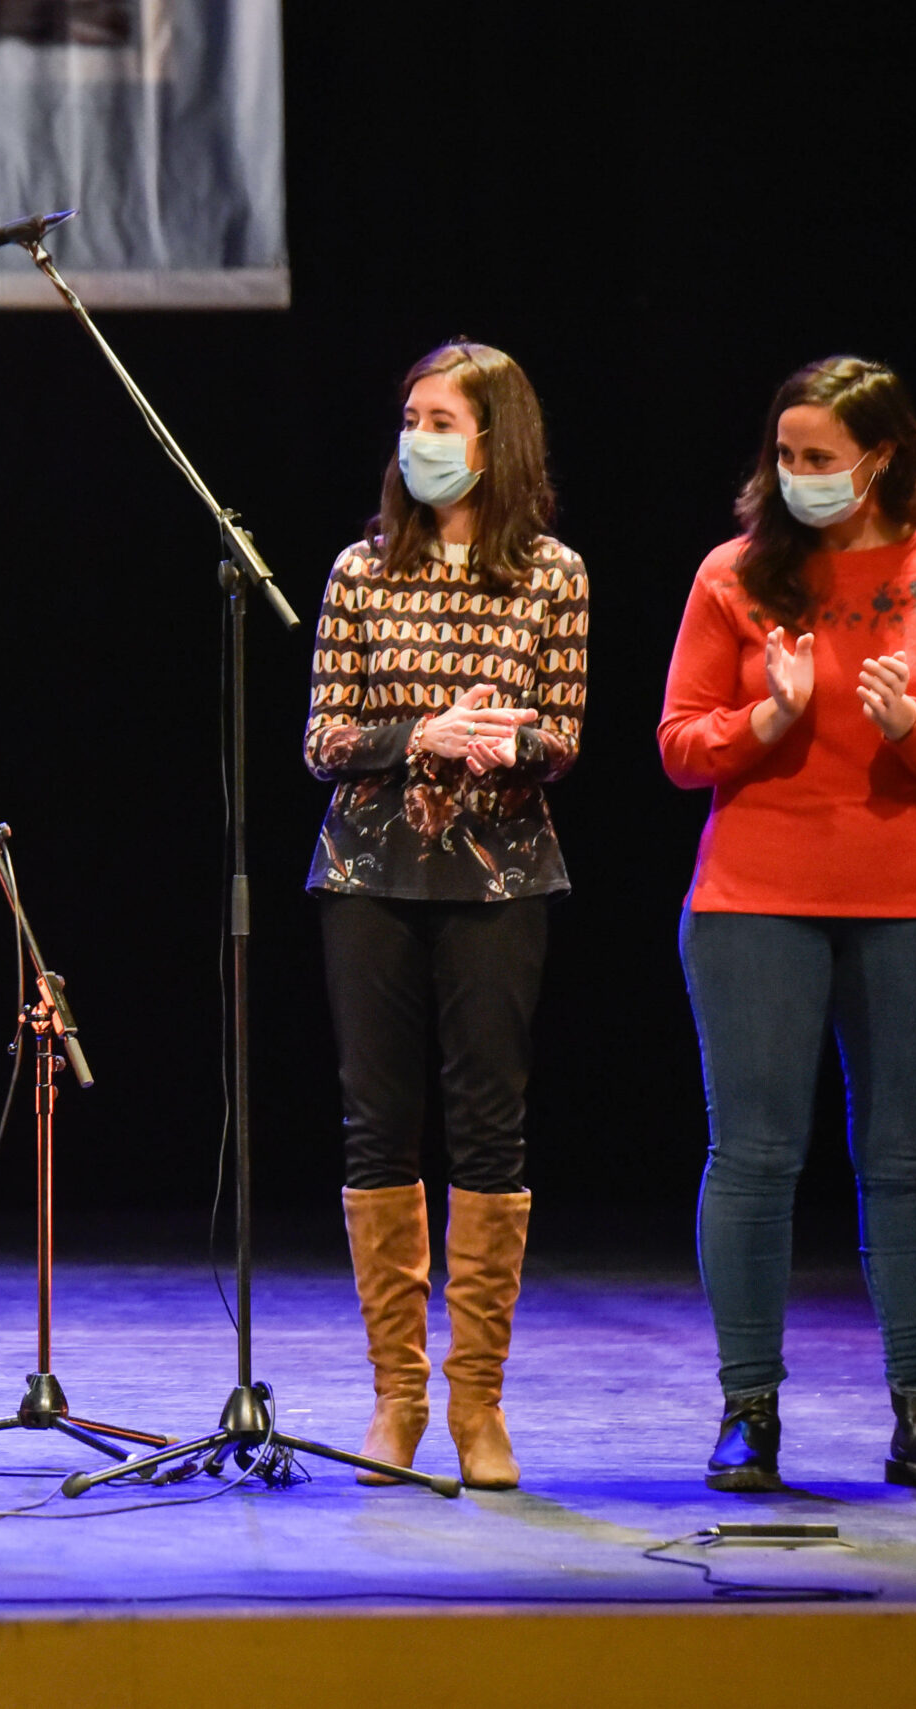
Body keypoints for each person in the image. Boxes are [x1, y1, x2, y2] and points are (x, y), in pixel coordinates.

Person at [659, 355, 916, 1495]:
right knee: (754, 1156)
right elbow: (679, 743)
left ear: (884, 457)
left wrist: (914, 722)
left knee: (907, 1160)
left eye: (819, 457)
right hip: (754, 896)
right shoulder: (734, 575)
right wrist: (770, 713)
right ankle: (747, 1411)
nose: (797, 473)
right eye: (785, 454)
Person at [303, 339, 587, 1491]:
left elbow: (563, 733)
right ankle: (397, 1398)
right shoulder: (359, 571)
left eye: (442, 420)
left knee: (489, 1126)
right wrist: (419, 732)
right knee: (377, 1125)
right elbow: (322, 739)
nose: (418, 438)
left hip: (500, 876)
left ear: (493, 440)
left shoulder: (554, 574)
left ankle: (477, 1402)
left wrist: (499, 736)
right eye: (410, 416)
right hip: (368, 874)